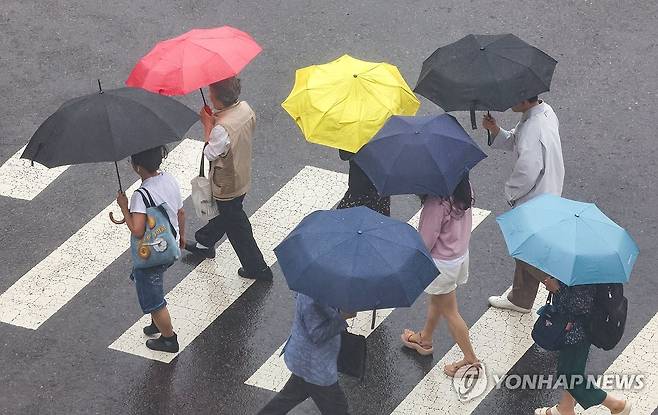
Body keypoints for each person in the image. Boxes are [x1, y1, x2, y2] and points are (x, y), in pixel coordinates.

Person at [184, 77, 273, 281]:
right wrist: (216, 121)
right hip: (242, 174)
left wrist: (207, 125)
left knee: (236, 225)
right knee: (228, 215)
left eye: (211, 94)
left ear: (218, 99)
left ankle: (256, 267)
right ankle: (205, 242)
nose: (209, 95)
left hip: (226, 184)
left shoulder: (221, 130)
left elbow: (210, 153)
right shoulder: (245, 110)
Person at [482, 96, 565, 313]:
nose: (510, 102)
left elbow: (527, 171)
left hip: (534, 198)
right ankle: (520, 299)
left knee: (524, 251)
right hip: (548, 191)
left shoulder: (532, 128)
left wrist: (511, 192)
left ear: (526, 101)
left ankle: (558, 285)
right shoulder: (543, 112)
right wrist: (495, 130)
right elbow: (517, 140)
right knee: (527, 247)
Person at [400, 175, 480, 376]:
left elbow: (425, 241)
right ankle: (425, 338)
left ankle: (470, 359)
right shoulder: (464, 187)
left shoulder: (436, 202)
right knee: (438, 301)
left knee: (450, 311)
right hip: (458, 255)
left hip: (441, 264)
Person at [116, 146, 184, 353]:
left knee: (153, 298)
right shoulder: (169, 179)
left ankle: (169, 338)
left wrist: (124, 207)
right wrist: (182, 238)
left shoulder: (141, 195)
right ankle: (157, 322)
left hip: (153, 254)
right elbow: (181, 212)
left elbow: (137, 230)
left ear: (137, 167)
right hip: (169, 244)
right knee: (155, 279)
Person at [534, 282, 631, 415]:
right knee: (572, 370)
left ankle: (616, 405)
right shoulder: (584, 270)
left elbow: (580, 305)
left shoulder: (584, 276)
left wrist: (557, 289)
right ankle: (565, 409)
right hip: (575, 331)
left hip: (577, 333)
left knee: (568, 375)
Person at [258, 293, 355, 415]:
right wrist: (342, 317)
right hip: (315, 366)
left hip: (305, 361)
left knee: (286, 399)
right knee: (338, 408)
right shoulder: (312, 299)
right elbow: (317, 335)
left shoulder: (315, 288)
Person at [336, 149, 390, 216]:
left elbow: (344, 155)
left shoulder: (356, 139)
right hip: (379, 188)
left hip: (359, 188)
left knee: (342, 220)